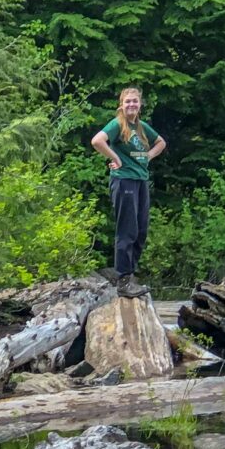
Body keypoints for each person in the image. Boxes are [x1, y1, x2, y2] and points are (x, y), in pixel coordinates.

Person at [91, 87, 166, 298]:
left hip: (141, 180)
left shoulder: (141, 127)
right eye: (127, 102)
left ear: (140, 105)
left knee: (141, 230)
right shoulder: (118, 124)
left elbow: (161, 142)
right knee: (128, 230)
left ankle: (130, 277)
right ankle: (123, 281)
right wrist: (116, 159)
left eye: (135, 101)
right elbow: (97, 140)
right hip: (124, 181)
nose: (131, 105)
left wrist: (148, 157)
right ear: (121, 105)